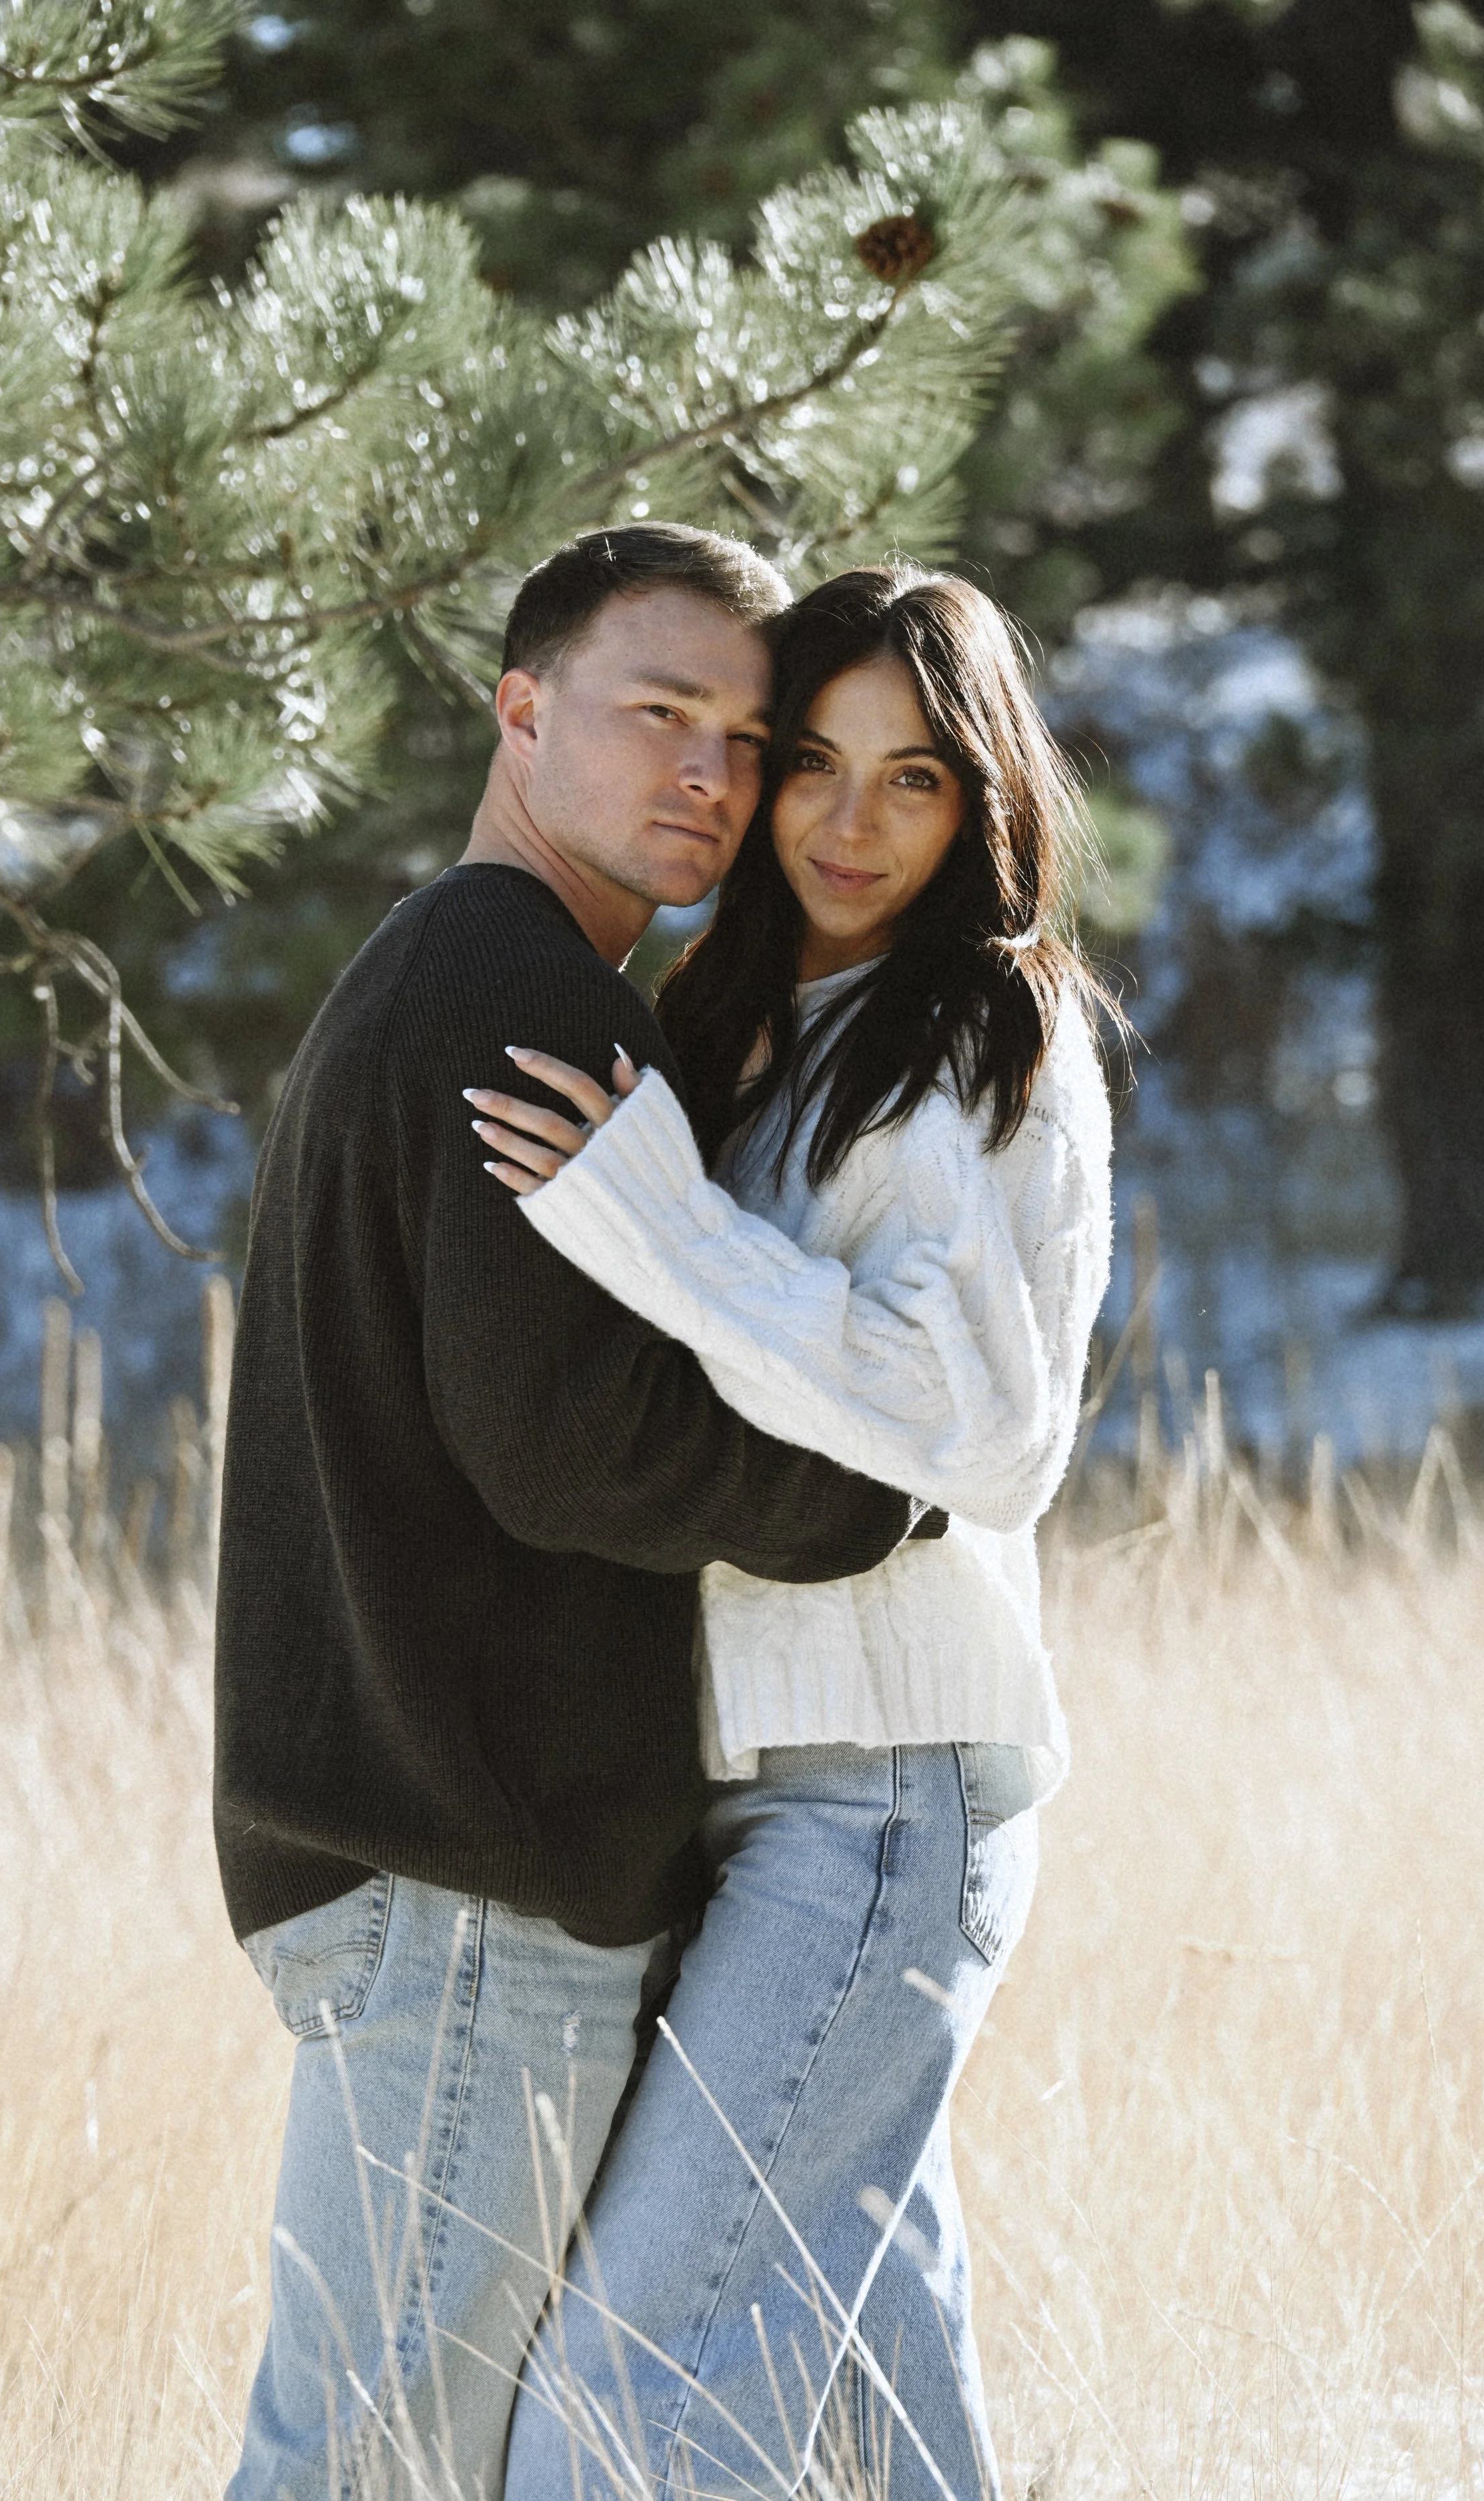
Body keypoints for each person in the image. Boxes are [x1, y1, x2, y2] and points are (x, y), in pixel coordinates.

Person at [213, 527, 943, 2501]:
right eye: (656, 712)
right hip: (467, 1866)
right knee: (369, 2466)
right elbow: (572, 1443)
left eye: (743, 734)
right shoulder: (521, 993)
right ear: (519, 707)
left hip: (415, 1852)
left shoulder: (447, 965)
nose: (709, 771)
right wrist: (877, 1494)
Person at [467, 566, 1115, 2500]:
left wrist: (662, 1224)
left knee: (619, 2398)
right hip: (767, 1791)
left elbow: (986, 1433)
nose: (845, 823)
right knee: (867, 2397)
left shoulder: (991, 1034)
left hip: (884, 1793)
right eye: (805, 765)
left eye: (910, 779)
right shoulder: (758, 1027)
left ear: (981, 795)